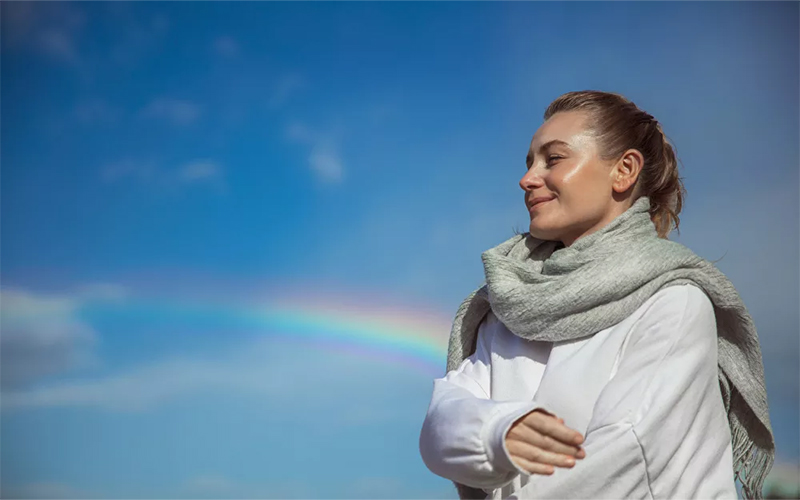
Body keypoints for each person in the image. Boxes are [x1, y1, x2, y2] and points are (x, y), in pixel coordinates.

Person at [418, 90, 775, 499]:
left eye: (553, 159)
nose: (527, 178)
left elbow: (630, 453)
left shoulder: (674, 300)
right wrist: (497, 432)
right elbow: (442, 421)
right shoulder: (505, 310)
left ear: (623, 171)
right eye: (529, 162)